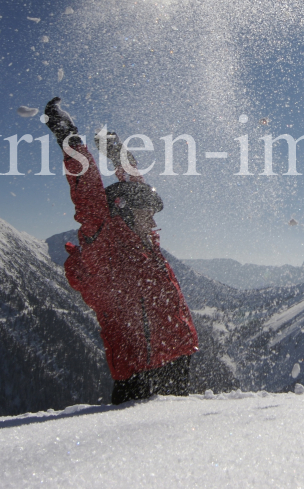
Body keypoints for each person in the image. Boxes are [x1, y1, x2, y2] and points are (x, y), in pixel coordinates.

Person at [43, 97, 198, 404]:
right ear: (125, 213)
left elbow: (135, 186)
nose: (153, 220)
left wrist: (118, 154)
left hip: (175, 356)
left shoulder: (142, 240)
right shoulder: (106, 241)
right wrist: (69, 139)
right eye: (146, 212)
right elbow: (86, 189)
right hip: (141, 369)